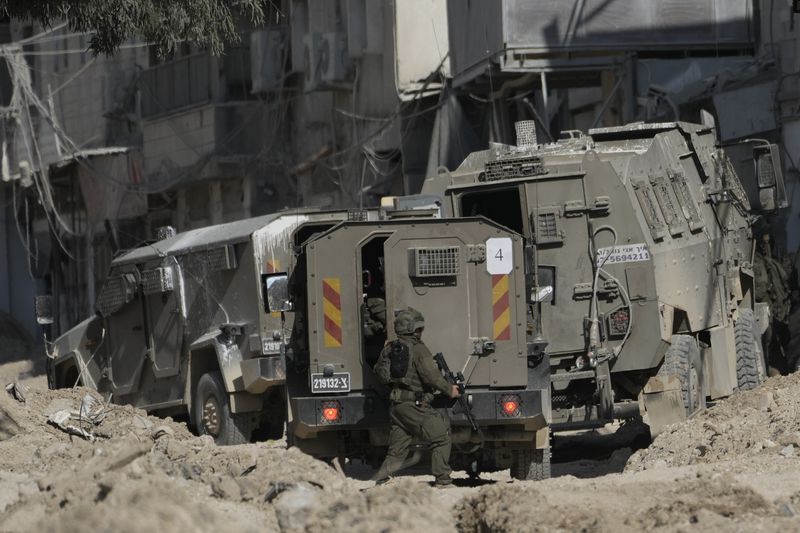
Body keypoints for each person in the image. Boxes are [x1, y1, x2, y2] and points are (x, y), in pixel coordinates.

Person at [371, 307, 460, 487]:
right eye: (419, 328)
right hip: (413, 405)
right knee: (441, 435)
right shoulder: (419, 349)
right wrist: (450, 390)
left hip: (396, 406)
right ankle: (443, 479)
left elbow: (378, 372)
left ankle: (381, 480)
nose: (421, 331)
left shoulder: (389, 349)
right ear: (413, 329)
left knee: (397, 450)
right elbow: (431, 376)